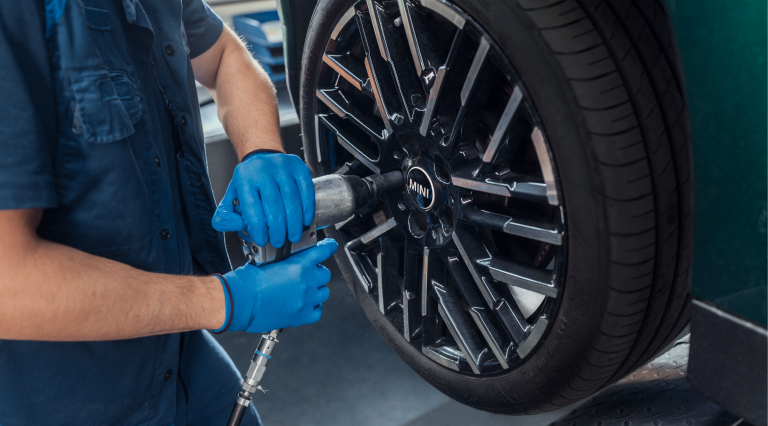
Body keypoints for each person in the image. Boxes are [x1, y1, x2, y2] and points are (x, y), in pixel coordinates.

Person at [0, 1, 336, 425]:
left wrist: (260, 149)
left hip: (175, 349)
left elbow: (225, 56)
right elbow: (8, 281)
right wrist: (229, 300)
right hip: (59, 390)